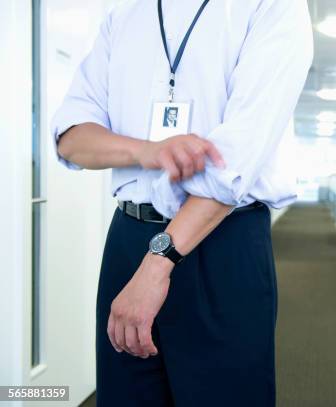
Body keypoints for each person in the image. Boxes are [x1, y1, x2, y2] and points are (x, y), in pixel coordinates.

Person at [51, 0, 312, 405]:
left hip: (222, 242)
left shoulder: (272, 7)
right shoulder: (123, 17)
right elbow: (71, 139)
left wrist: (159, 262)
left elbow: (233, 163)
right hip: (128, 238)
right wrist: (148, 151)